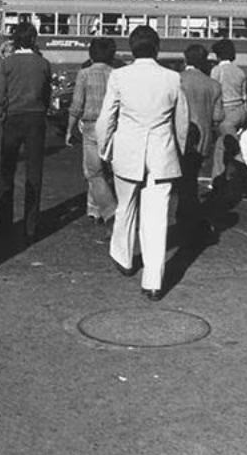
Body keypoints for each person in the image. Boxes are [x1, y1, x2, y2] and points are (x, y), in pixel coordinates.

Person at [97, 25, 189, 301]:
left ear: (132, 48)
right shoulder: (172, 78)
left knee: (125, 207)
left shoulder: (119, 76)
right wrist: (178, 152)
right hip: (162, 155)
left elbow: (106, 119)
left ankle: (123, 258)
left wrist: (105, 149)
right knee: (157, 218)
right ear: (157, 48)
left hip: (127, 151)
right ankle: (153, 282)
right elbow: (181, 122)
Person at [0, 21, 52, 244]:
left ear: (14, 40)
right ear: (34, 40)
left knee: (7, 173)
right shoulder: (43, 64)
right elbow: (47, 96)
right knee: (34, 174)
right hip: (36, 120)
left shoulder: (7, 64)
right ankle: (31, 226)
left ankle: (3, 223)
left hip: (12, 119)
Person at [65, 36, 118, 224]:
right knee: (108, 170)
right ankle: (94, 208)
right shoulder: (116, 73)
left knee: (93, 172)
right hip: (113, 127)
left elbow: (77, 105)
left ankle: (109, 210)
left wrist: (69, 129)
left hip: (91, 126)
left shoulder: (84, 74)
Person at [178, 43, 224, 237]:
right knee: (191, 176)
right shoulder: (213, 85)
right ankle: (188, 214)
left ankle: (188, 216)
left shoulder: (176, 80)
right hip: (202, 139)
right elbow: (218, 116)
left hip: (179, 137)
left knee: (183, 179)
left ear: (185, 59)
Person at [210, 38, 247, 189]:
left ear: (218, 56)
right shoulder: (240, 72)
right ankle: (216, 179)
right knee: (220, 148)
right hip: (241, 111)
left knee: (233, 150)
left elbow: (214, 94)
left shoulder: (217, 71)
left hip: (227, 114)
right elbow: (244, 98)